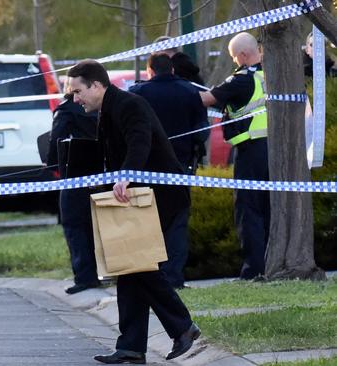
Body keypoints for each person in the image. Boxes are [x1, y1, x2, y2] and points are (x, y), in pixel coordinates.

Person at [67, 59, 200, 364]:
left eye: (78, 91)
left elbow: (140, 140)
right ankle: (131, 346)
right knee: (129, 267)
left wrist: (126, 174)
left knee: (138, 265)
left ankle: (183, 326)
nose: (75, 98)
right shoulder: (109, 108)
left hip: (159, 197)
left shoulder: (129, 105)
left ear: (97, 86)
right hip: (137, 197)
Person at [129, 53, 209, 288]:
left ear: (150, 71)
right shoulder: (189, 92)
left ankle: (152, 275)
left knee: (148, 221)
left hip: (146, 169)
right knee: (177, 223)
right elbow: (201, 132)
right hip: (180, 167)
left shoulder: (138, 93)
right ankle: (173, 276)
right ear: (172, 70)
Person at [199, 32, 269, 280]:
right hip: (275, 154)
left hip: (250, 152)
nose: (234, 62)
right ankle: (271, 264)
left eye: (233, 57)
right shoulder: (269, 75)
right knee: (271, 210)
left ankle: (253, 270)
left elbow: (207, 99)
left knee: (249, 211)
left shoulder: (241, 79)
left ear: (242, 55)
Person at [46, 83, 101, 295]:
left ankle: (85, 277)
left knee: (74, 226)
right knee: (95, 225)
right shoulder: (100, 108)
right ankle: (102, 271)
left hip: (73, 176)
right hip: (102, 174)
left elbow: (55, 141)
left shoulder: (66, 109)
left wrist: (52, 166)